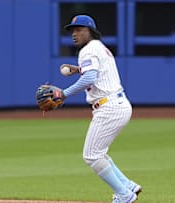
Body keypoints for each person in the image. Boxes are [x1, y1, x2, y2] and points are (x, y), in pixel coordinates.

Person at [58, 15, 142, 203]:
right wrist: (79, 69)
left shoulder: (88, 50)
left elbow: (90, 79)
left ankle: (124, 194)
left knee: (91, 155)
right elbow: (96, 72)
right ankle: (128, 185)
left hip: (109, 107)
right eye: (72, 30)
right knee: (99, 153)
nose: (74, 33)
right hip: (118, 104)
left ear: (91, 31)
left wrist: (63, 93)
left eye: (79, 29)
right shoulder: (99, 48)